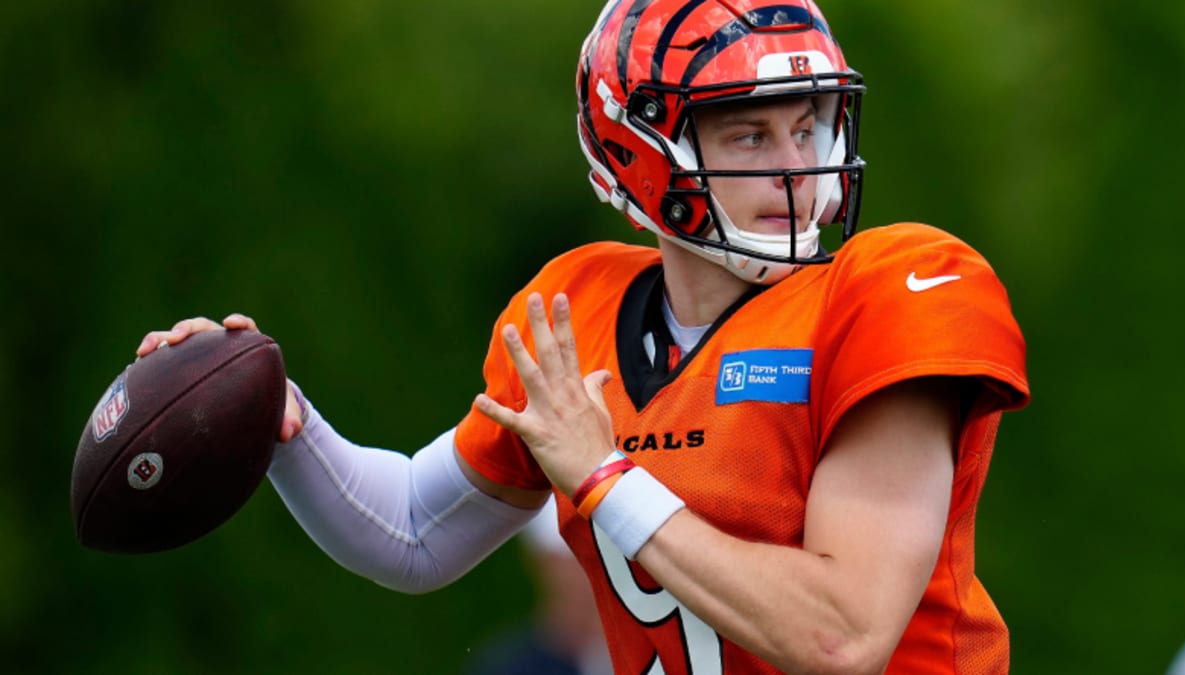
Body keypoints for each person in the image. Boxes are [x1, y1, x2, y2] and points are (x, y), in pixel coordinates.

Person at [137, 0, 1029, 672]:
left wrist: (607, 480)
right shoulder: (577, 313)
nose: (800, 166)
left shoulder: (895, 286)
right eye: (752, 135)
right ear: (641, 150)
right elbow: (412, 531)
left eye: (808, 126)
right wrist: (277, 417)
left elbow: (843, 634)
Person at [463, 499, 612, 675]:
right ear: (540, 563)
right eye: (571, 558)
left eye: (594, 558)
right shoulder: (507, 668)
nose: (583, 573)